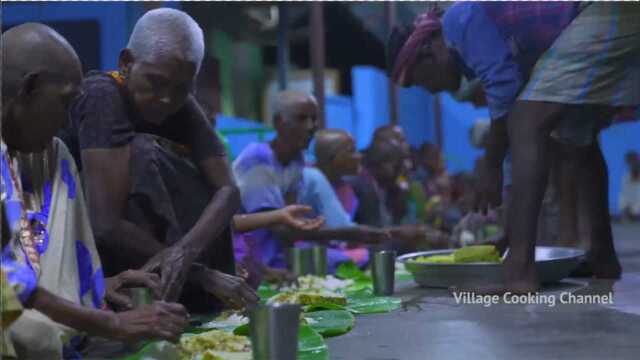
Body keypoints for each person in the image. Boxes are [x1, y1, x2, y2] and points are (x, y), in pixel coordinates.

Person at [388, 2, 639, 292]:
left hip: (606, 9)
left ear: (428, 52)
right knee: (575, 141)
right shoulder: (484, 41)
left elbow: (506, 96)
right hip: (602, 16)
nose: (431, 90)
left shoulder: (458, 20)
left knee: (526, 121)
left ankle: (519, 269)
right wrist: (511, 233)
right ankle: (602, 255)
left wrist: (490, 165)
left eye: (420, 81)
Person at [1, 23, 187, 359]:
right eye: (64, 102)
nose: (66, 121)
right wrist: (112, 325)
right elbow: (8, 289)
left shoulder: (48, 155)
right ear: (29, 89)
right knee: (33, 335)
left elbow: (27, 264)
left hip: (63, 336)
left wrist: (102, 285)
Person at [58, 8, 257, 310]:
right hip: (79, 247)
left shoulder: (179, 102)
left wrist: (185, 252)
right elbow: (105, 225)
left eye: (181, 89)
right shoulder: (102, 95)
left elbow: (228, 190)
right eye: (155, 82)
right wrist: (200, 274)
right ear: (126, 63)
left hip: (157, 255)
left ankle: (193, 299)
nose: (166, 99)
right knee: (141, 151)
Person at [233, 91, 390, 273]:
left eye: (314, 119)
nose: (310, 126)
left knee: (339, 259)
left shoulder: (296, 159)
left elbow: (291, 221)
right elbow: (279, 229)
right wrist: (346, 233)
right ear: (278, 122)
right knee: (342, 260)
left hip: (278, 252)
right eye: (301, 118)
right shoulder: (257, 159)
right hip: (250, 256)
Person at [619, 151, 640, 220]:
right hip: (631, 217)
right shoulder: (626, 178)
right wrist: (624, 209)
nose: (632, 165)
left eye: (634, 161)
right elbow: (624, 198)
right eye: (629, 162)